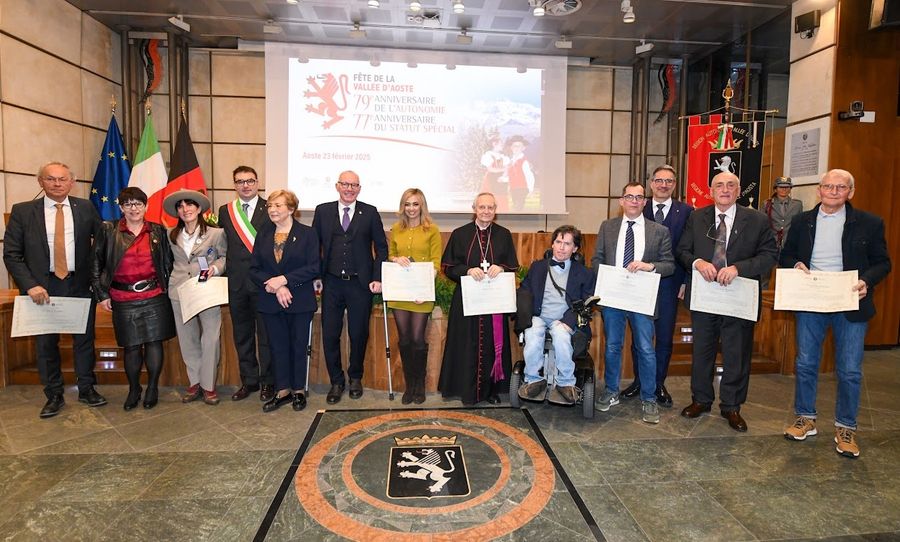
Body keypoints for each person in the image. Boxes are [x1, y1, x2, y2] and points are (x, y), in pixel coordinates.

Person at [780, 169, 891, 458]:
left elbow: (883, 262)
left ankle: (846, 428)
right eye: (828, 186)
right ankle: (805, 417)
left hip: (850, 301)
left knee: (850, 369)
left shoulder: (869, 223)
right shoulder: (802, 221)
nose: (833, 191)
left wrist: (867, 280)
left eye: (840, 187)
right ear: (819, 190)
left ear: (850, 192)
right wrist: (796, 266)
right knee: (805, 362)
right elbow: (786, 254)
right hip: (811, 300)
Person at [676, 172, 777, 432]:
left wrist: (738, 268)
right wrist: (698, 263)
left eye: (730, 185)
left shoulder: (756, 220)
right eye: (719, 185)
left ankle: (732, 406)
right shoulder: (697, 217)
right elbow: (683, 251)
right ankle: (701, 400)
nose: (725, 189)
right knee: (702, 351)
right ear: (711, 191)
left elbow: (769, 255)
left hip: (738, 296)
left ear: (738, 190)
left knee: (736, 353)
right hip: (705, 296)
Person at [3, 162, 105, 418]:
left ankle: (87, 389)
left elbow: (103, 243)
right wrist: (30, 285)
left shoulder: (85, 208)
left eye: (62, 179)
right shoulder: (23, 212)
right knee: (46, 344)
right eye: (51, 179)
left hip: (78, 283)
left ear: (72, 182)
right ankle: (54, 394)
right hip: (41, 287)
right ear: (40, 182)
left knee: (84, 341)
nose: (57, 184)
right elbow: (12, 254)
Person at [592, 182, 675, 424]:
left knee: (646, 349)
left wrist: (649, 266)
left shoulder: (659, 231)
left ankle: (649, 398)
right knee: (612, 346)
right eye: (630, 196)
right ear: (621, 200)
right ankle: (610, 391)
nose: (634, 201)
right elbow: (596, 259)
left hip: (641, 298)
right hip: (614, 298)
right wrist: (609, 277)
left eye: (639, 197)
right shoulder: (607, 227)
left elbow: (669, 265)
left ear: (645, 202)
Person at [92, 187, 175, 411]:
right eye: (128, 204)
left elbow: (167, 263)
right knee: (131, 346)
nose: (134, 208)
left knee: (154, 343)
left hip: (154, 295)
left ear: (146, 206)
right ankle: (134, 388)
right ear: (120, 207)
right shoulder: (108, 229)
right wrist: (101, 294)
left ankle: (152, 387)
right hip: (123, 297)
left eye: (138, 203)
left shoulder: (157, 231)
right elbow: (96, 263)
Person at [312, 170, 388, 404]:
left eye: (354, 185)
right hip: (331, 283)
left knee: (358, 333)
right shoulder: (322, 211)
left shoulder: (370, 212)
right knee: (330, 334)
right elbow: (314, 246)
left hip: (360, 284)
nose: (349, 189)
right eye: (345, 184)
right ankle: (337, 380)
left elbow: (382, 248)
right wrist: (317, 276)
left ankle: (355, 376)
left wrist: (377, 277)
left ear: (359, 188)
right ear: (337, 186)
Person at [622, 165, 692, 408]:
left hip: (669, 283)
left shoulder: (686, 211)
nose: (664, 185)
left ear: (675, 184)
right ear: (651, 183)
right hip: (639, 282)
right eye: (659, 180)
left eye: (669, 181)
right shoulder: (639, 205)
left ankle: (658, 383)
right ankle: (640, 381)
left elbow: (687, 248)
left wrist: (685, 281)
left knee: (663, 337)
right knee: (639, 336)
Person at [439, 192, 519, 405]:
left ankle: (491, 391)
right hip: (467, 301)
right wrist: (467, 270)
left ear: (495, 210)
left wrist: (500, 268)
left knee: (493, 345)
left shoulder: (504, 234)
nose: (486, 211)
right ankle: (467, 390)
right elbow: (447, 267)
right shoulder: (460, 234)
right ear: (474, 208)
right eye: (482, 207)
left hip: (494, 301)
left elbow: (512, 265)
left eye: (490, 208)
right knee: (467, 344)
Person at [252, 190, 320, 412]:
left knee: (298, 345)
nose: (272, 209)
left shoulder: (308, 234)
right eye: (270, 205)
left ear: (291, 209)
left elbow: (314, 267)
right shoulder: (263, 234)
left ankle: (298, 390)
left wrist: (285, 280)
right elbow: (254, 269)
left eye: (278, 205)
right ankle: (282, 391)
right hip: (271, 300)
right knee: (277, 346)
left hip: (299, 299)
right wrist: (277, 286)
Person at [516, 225, 595, 405]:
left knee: (560, 335)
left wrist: (569, 320)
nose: (561, 247)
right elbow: (525, 291)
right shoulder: (538, 267)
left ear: (575, 248)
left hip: (564, 318)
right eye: (558, 242)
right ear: (552, 244)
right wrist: (524, 317)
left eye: (567, 243)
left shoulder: (585, 273)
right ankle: (533, 379)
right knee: (533, 333)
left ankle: (566, 382)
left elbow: (587, 301)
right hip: (539, 315)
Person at [164, 190, 226, 406]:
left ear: (199, 208)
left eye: (189, 205)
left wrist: (215, 269)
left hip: (206, 291)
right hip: (180, 291)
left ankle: (209, 386)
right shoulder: (170, 234)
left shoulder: (216, 233)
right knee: (187, 339)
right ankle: (195, 382)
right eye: (180, 206)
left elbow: (224, 257)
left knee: (211, 339)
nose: (185, 209)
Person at [218, 166, 274, 402]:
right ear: (234, 185)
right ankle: (248, 381)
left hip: (263, 284)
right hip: (238, 284)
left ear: (257, 182)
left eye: (250, 181)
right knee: (242, 335)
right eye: (240, 182)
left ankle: (268, 383)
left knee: (266, 336)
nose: (245, 185)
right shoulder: (225, 211)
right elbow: (222, 247)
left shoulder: (270, 208)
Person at [387, 188, 442, 404]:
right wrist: (395, 259)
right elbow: (390, 254)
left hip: (421, 292)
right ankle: (409, 386)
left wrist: (424, 289)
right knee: (405, 339)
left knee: (418, 340)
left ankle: (419, 385)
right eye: (407, 204)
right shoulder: (396, 229)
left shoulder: (432, 230)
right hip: (400, 292)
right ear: (403, 206)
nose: (411, 208)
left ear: (422, 206)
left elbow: (436, 263)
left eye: (415, 204)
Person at [763, 176, 803, 254]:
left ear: (790, 189)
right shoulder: (767, 204)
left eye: (787, 187)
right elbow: (762, 225)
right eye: (781, 187)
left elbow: (800, 224)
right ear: (775, 189)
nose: (784, 189)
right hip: (771, 243)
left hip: (790, 243)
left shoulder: (797, 204)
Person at [479, 135, 510, 212]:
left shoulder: (503, 157)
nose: (502, 145)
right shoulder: (489, 155)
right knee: (491, 197)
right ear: (494, 144)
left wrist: (504, 176)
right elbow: (490, 169)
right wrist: (503, 169)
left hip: (501, 180)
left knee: (502, 196)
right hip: (492, 178)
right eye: (500, 143)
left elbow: (507, 168)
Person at [506, 135, 535, 211]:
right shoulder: (511, 161)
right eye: (514, 146)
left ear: (523, 148)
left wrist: (531, 189)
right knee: (515, 205)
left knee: (518, 207)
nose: (516, 148)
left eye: (519, 146)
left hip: (522, 188)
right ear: (511, 148)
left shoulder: (524, 161)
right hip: (513, 188)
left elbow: (529, 176)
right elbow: (510, 175)